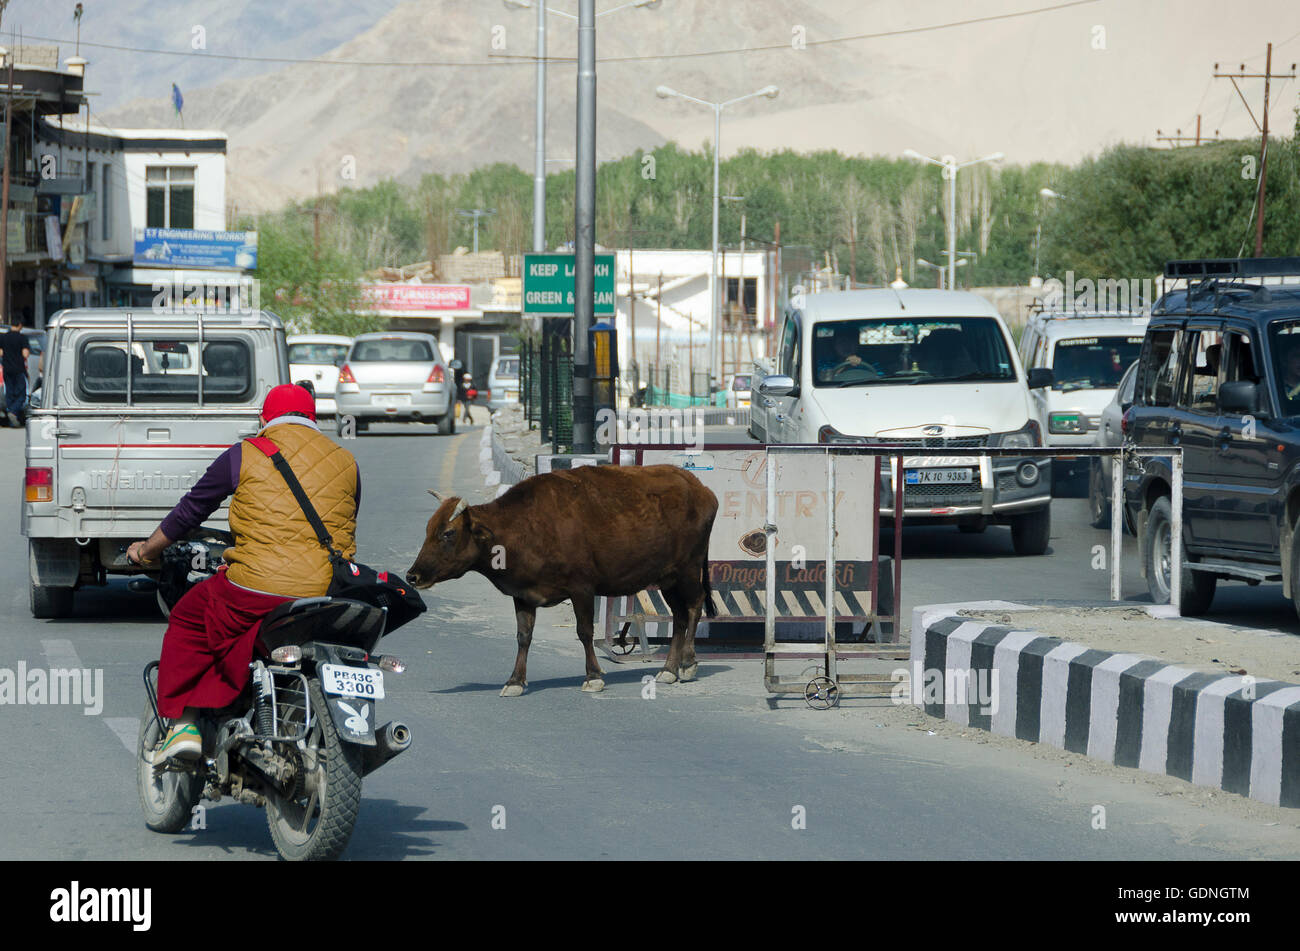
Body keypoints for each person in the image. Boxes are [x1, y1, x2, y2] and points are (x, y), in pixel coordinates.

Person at [127, 384, 361, 762]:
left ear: (264, 420)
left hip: (257, 586)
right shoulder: (346, 461)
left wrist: (147, 550)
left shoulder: (246, 453)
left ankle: (185, 725)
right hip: (323, 591)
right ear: (314, 419)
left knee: (190, 617)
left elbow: (191, 511)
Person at [0, 315, 30, 427]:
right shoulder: (22, 338)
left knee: (10, 394)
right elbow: (25, 354)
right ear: (20, 325)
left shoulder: (3, 337)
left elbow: (1, 353)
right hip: (19, 370)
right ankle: (13, 412)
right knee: (21, 394)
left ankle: (11, 419)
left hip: (7, 369)